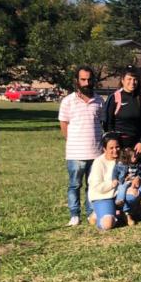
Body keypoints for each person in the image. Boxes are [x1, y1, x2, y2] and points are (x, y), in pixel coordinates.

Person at [58, 66, 104, 226]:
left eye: (89, 79)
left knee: (92, 185)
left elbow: (101, 123)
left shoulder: (99, 101)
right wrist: (71, 142)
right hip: (75, 153)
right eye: (83, 79)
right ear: (76, 81)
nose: (86, 82)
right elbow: (64, 124)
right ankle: (74, 215)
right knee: (75, 185)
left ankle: (91, 212)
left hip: (96, 153)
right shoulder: (68, 101)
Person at [101, 65, 141, 189]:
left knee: (135, 179)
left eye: (135, 79)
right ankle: (116, 207)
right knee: (118, 179)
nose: (132, 82)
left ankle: (134, 207)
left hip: (135, 147)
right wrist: (113, 145)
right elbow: (108, 124)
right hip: (118, 147)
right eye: (129, 79)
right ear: (122, 79)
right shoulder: (115, 98)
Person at [87, 133, 141, 229]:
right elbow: (97, 187)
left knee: (134, 193)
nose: (115, 150)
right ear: (104, 149)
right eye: (111, 148)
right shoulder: (98, 162)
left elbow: (136, 172)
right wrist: (113, 183)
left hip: (119, 194)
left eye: (117, 147)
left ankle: (124, 212)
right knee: (107, 225)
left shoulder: (125, 158)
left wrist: (137, 179)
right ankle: (99, 213)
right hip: (103, 196)